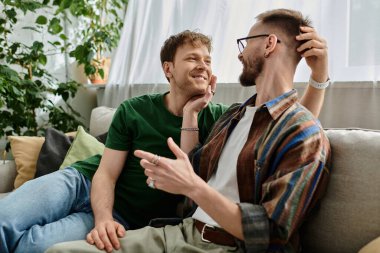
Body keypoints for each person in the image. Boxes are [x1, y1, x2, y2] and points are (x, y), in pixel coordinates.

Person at [1, 24, 327, 253]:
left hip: (124, 218)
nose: (203, 65)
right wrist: (100, 219)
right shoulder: (134, 109)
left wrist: (319, 77)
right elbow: (106, 173)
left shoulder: (224, 118)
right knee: (4, 221)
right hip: (81, 182)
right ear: (168, 69)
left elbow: (289, 120)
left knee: (36, 247)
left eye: (208, 60)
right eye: (192, 58)